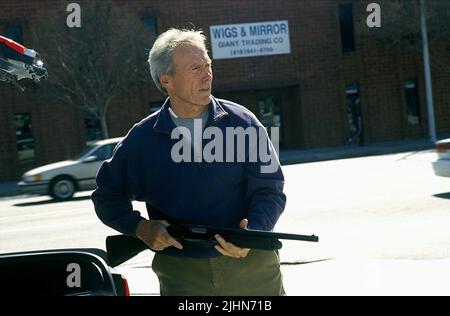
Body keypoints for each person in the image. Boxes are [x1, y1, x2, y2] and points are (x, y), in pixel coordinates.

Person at [91, 28, 287, 296]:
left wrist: (254, 231)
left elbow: (270, 191)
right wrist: (140, 228)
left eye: (208, 65)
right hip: (181, 275)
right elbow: (106, 196)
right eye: (195, 68)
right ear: (166, 79)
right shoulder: (141, 140)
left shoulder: (244, 124)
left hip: (251, 266)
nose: (207, 75)